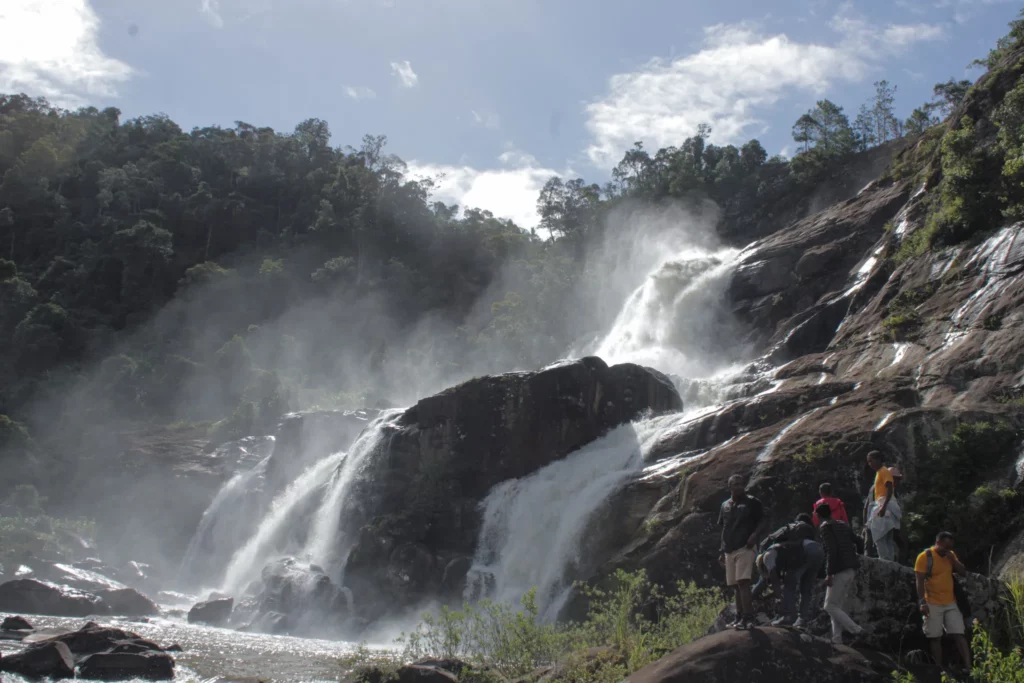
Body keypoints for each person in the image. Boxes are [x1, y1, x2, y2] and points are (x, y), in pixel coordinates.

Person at [915, 531, 971, 674]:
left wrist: (953, 559)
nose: (947, 550)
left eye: (950, 547)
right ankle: (939, 669)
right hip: (932, 602)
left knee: (959, 634)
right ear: (938, 542)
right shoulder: (924, 557)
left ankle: (969, 668)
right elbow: (919, 581)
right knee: (935, 637)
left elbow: (963, 572)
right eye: (945, 547)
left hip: (950, 602)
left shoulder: (950, 555)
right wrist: (922, 602)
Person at [718, 474, 765, 629]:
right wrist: (721, 550)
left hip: (745, 547)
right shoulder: (725, 505)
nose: (739, 486)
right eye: (735, 484)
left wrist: (754, 535)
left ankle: (749, 617)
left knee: (743, 582)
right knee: (735, 585)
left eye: (741, 484)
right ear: (729, 487)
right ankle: (739, 617)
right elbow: (723, 528)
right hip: (729, 549)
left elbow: (763, 520)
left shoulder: (752, 502)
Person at [760, 514, 823, 628]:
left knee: (789, 584)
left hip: (806, 552)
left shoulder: (770, 553)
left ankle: (789, 616)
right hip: (819, 550)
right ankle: (803, 619)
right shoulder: (807, 532)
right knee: (806, 588)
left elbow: (766, 542)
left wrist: (778, 591)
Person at [817, 502, 865, 644]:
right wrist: (858, 558)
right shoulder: (842, 525)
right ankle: (837, 639)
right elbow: (859, 541)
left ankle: (857, 630)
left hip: (839, 570)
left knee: (829, 606)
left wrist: (829, 574)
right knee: (835, 606)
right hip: (851, 569)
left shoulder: (826, 527)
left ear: (819, 516)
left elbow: (832, 551)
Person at [863, 451, 901, 561]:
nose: (870, 464)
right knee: (887, 536)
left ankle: (884, 560)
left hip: (884, 504)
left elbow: (889, 489)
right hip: (884, 504)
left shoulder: (884, 471)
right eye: (868, 462)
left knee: (879, 535)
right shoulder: (880, 472)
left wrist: (883, 507)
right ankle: (890, 561)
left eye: (871, 461)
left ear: (878, 459)